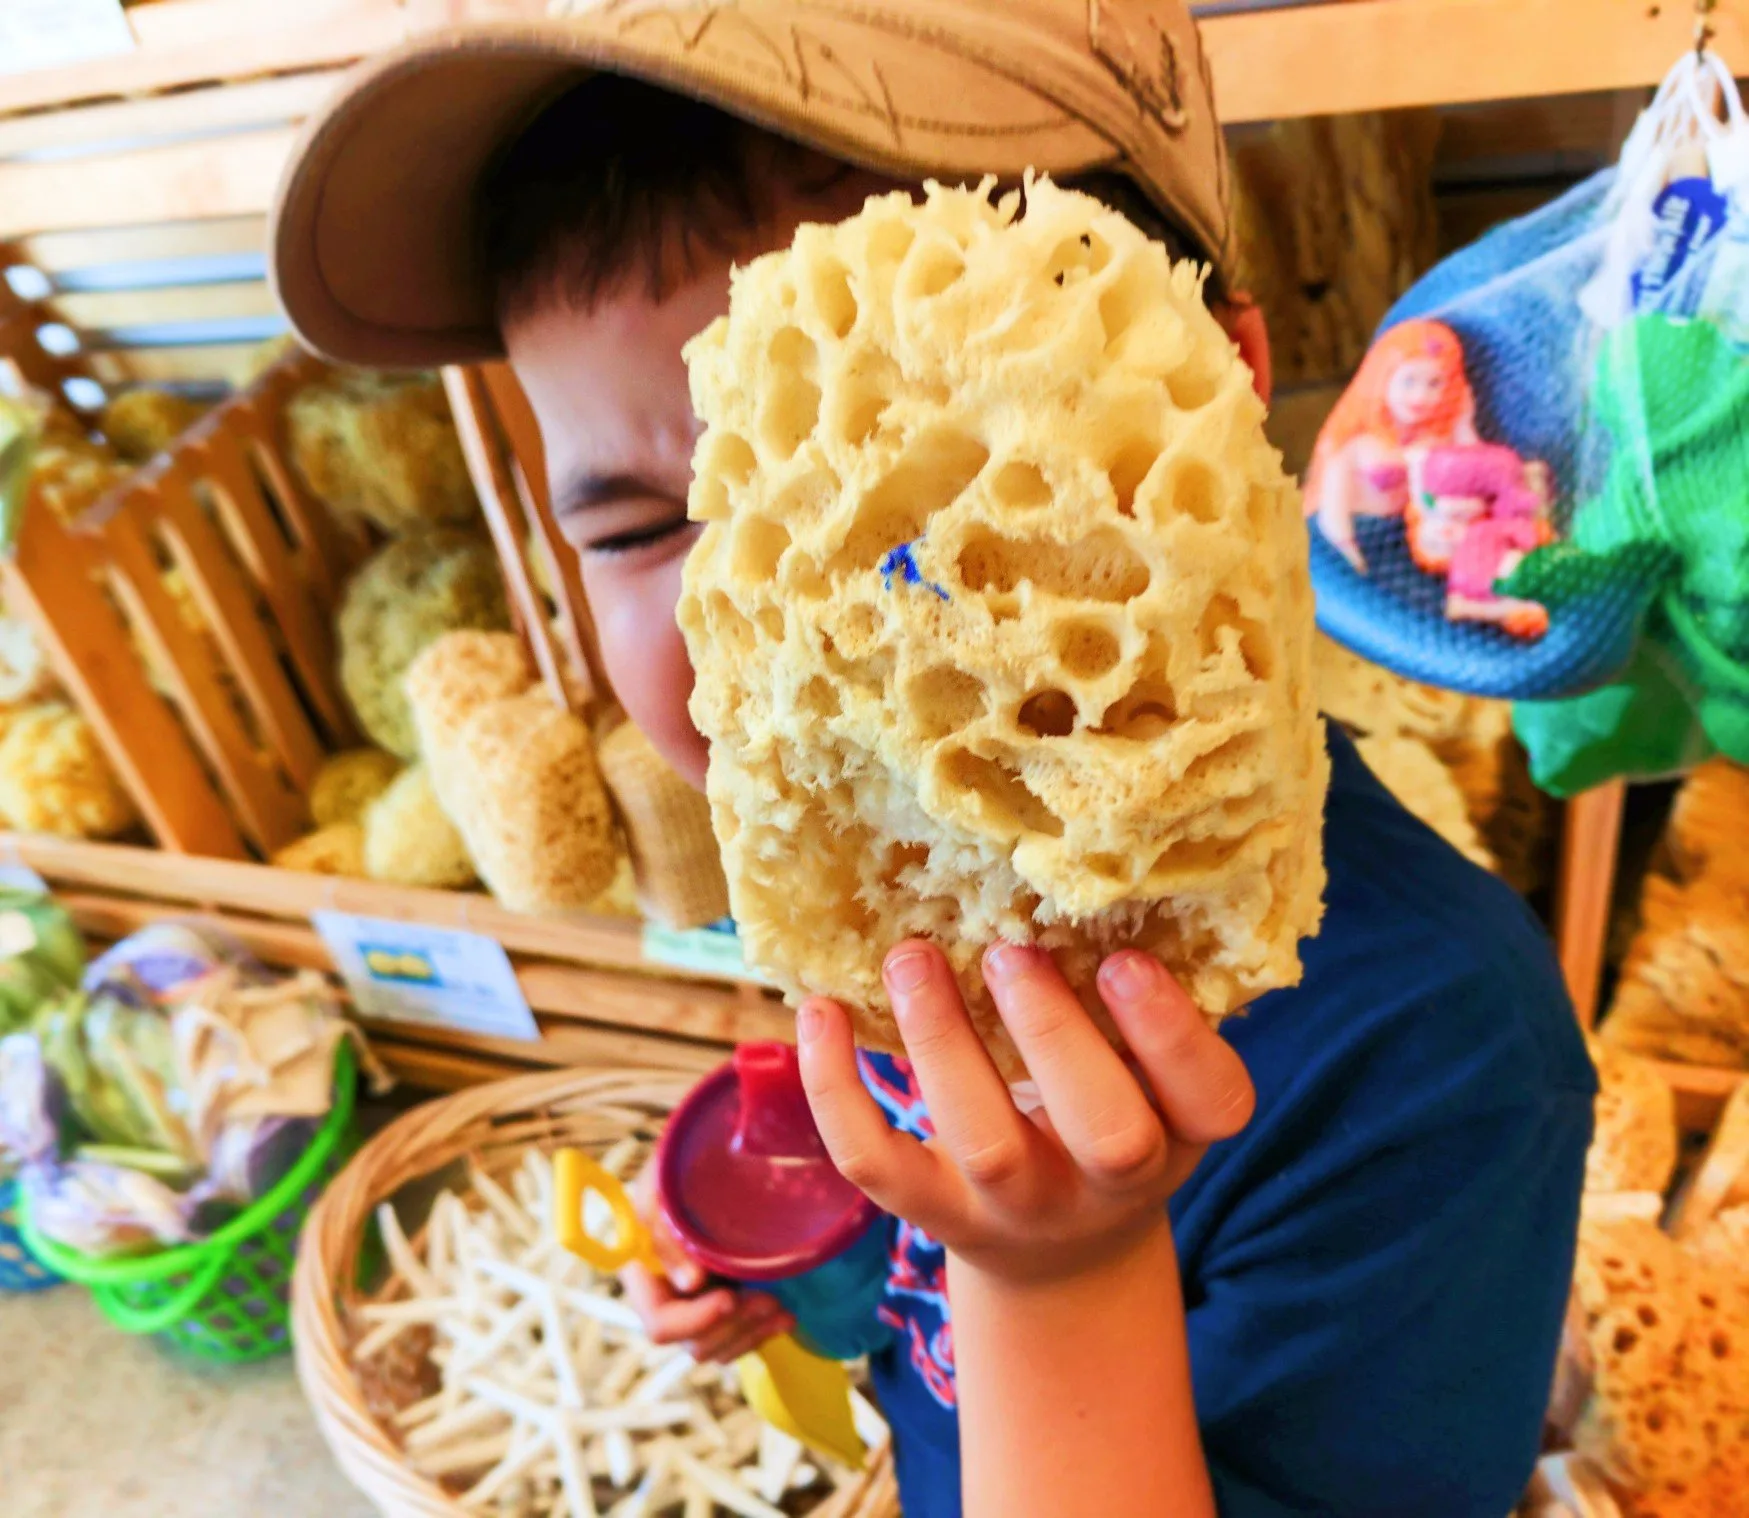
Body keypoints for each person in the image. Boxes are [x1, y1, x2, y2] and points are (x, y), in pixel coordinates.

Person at [269, 5, 1596, 1514]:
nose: (748, 617)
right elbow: (932, 1293)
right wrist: (819, 1269)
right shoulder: (899, 907)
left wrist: (1064, 1272)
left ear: (1205, 405)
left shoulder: (1441, 1064)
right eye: (637, 526)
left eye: (913, 476)